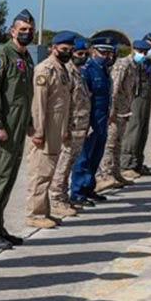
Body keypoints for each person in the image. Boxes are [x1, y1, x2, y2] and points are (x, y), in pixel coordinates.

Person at [0, 9, 35, 251]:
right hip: (5, 129)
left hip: (19, 127)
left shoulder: (27, 57)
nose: (26, 34)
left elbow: (24, 94)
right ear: (12, 31)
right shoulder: (2, 55)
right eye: (22, 30)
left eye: (30, 30)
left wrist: (29, 121)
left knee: (9, 179)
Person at [25, 30, 75, 228]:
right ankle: (34, 214)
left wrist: (65, 129)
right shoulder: (45, 70)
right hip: (44, 129)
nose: (67, 53)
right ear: (53, 48)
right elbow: (39, 103)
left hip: (56, 128)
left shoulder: (62, 69)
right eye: (64, 49)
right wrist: (38, 131)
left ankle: (43, 210)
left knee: (48, 172)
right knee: (39, 172)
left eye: (70, 50)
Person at [69, 37, 115, 206]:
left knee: (96, 155)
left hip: (101, 118)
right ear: (93, 51)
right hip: (89, 119)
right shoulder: (87, 70)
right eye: (103, 52)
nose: (106, 56)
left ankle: (89, 188)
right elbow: (83, 98)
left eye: (108, 53)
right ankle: (77, 192)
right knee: (84, 157)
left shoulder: (104, 69)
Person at [96, 38, 142, 190]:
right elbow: (114, 90)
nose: (143, 55)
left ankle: (116, 174)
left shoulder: (134, 66)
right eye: (141, 52)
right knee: (110, 144)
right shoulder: (123, 65)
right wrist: (111, 111)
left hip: (123, 111)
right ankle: (106, 175)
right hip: (115, 112)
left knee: (117, 145)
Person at [53, 36, 92, 209]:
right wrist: (65, 127)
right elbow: (65, 102)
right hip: (70, 125)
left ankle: (63, 197)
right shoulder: (67, 72)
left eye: (85, 53)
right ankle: (56, 199)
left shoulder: (79, 72)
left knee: (70, 164)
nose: (82, 56)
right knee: (63, 164)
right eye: (78, 53)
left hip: (80, 126)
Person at [120, 39, 151, 179]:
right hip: (132, 101)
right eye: (141, 52)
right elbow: (117, 86)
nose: (143, 54)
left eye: (145, 52)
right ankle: (126, 164)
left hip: (144, 100)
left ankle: (137, 163)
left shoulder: (144, 65)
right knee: (132, 132)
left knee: (142, 132)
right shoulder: (126, 64)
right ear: (133, 50)